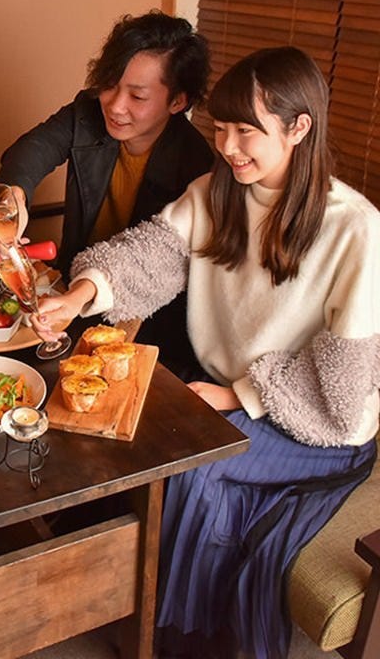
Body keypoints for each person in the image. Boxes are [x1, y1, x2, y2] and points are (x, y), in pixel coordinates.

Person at [32, 47, 380, 658]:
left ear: (299, 127)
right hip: (227, 392)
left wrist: (239, 396)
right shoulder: (217, 192)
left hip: (315, 426)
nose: (228, 147)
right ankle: (118, 605)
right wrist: (79, 295)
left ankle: (182, 641)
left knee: (193, 468)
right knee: (125, 428)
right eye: (220, 128)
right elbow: (151, 253)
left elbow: (344, 387)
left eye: (247, 131)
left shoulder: (355, 229)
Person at [0, 10, 213, 378]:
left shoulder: (196, 166)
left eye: (137, 96)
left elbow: (160, 267)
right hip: (74, 294)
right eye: (110, 84)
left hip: (148, 322)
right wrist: (13, 196)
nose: (115, 105)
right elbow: (33, 150)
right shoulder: (88, 112)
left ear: (178, 101)